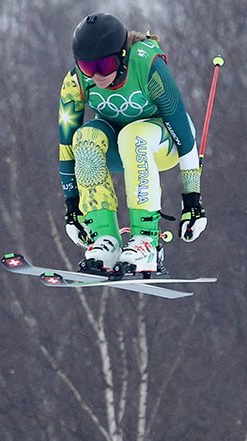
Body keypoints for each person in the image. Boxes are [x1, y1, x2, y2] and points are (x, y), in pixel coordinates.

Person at [58, 12, 207, 275]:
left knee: (133, 136)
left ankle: (146, 240)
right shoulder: (76, 81)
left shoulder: (148, 66)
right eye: (87, 67)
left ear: (122, 56)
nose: (96, 76)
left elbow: (184, 134)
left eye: (104, 66)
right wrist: (72, 207)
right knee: (85, 137)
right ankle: (105, 238)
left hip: (165, 142)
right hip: (121, 149)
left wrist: (193, 201)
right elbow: (67, 146)